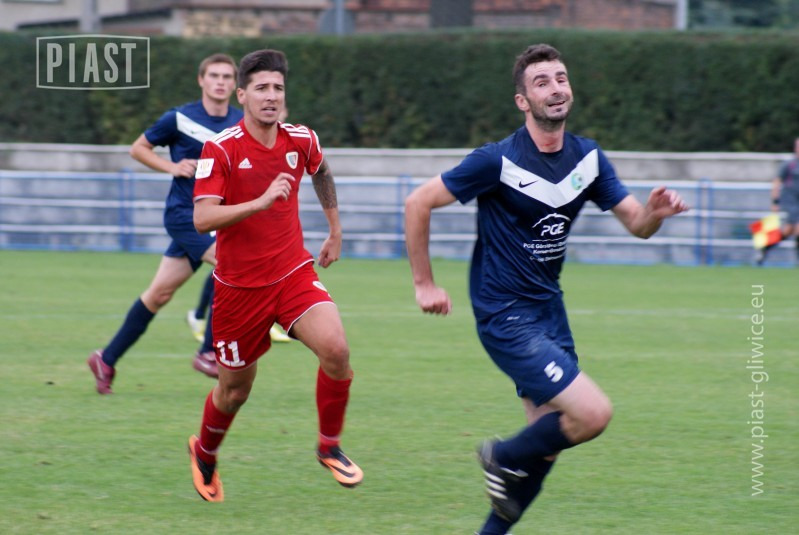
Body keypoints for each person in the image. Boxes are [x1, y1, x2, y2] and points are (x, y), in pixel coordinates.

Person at [404, 44, 688, 534]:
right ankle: (500, 454)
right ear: (523, 101)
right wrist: (424, 283)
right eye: (542, 82)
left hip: (549, 313)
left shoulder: (588, 158)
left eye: (561, 78)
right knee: (592, 414)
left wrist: (655, 214)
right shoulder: (497, 160)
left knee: (550, 441)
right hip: (505, 314)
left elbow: (637, 224)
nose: (556, 89)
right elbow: (418, 202)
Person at [187, 49, 362, 502]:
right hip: (238, 290)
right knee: (234, 391)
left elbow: (321, 170)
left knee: (337, 350)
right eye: (261, 88)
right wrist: (260, 202)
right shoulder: (220, 148)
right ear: (242, 95)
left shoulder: (301, 139)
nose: (271, 96)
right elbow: (203, 219)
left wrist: (335, 229)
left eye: (278, 88)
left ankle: (329, 446)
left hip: (291, 274)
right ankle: (205, 452)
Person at [87, 53, 243, 394]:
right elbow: (138, 148)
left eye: (227, 77)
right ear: (201, 80)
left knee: (159, 294)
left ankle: (106, 359)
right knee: (231, 266)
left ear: (235, 84)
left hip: (216, 219)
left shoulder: (241, 122)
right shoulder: (179, 118)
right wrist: (172, 167)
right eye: (214, 75)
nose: (220, 82)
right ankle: (208, 352)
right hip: (185, 216)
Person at [756, 136, 799, 265]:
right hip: (791, 202)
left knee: (788, 230)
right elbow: (777, 182)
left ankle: (765, 248)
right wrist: (775, 201)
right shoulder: (789, 165)